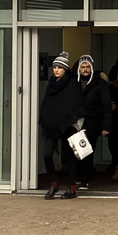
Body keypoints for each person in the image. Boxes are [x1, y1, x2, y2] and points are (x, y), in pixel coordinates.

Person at [40, 51, 85, 199]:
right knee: (47, 155)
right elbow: (46, 104)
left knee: (70, 157)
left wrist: (70, 120)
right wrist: (44, 120)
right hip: (51, 126)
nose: (56, 70)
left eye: (59, 68)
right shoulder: (51, 85)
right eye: (54, 67)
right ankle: (53, 183)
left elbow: (75, 104)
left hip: (67, 125)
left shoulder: (73, 84)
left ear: (65, 69)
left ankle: (71, 188)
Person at [76, 54, 111, 189]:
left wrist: (106, 126)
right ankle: (77, 176)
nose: (85, 69)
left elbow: (106, 106)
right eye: (82, 67)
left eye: (87, 67)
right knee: (76, 151)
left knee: (87, 151)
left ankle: (85, 179)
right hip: (75, 122)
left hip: (92, 122)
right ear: (79, 69)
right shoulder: (74, 83)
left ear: (91, 68)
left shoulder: (100, 84)